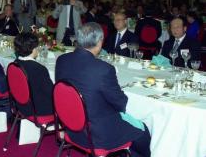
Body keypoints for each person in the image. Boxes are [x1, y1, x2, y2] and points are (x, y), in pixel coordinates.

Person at [55, 23, 151, 157]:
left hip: (70, 126)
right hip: (96, 135)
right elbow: (121, 103)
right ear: (100, 42)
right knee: (144, 130)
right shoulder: (103, 69)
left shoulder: (62, 60)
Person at [13, 33, 53, 117]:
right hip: (36, 109)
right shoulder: (39, 69)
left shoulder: (15, 63)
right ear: (33, 49)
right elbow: (50, 93)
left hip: (20, 104)